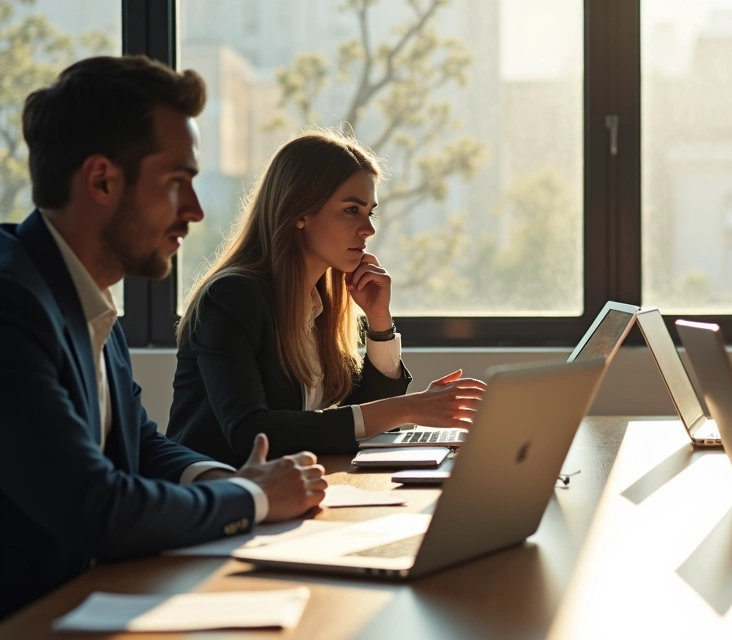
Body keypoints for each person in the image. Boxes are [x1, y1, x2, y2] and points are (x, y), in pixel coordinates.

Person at [0, 56, 324, 618]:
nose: (196, 211)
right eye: (178, 183)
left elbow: (139, 444)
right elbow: (96, 506)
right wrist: (252, 497)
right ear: (101, 179)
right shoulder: (11, 303)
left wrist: (232, 478)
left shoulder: (82, 292)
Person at [167, 130, 487, 467]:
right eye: (352, 210)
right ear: (299, 212)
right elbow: (252, 433)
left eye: (370, 212)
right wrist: (410, 407)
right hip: (216, 499)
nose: (368, 229)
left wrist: (379, 323)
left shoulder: (318, 303)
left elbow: (362, 423)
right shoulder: (232, 297)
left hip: (282, 490)